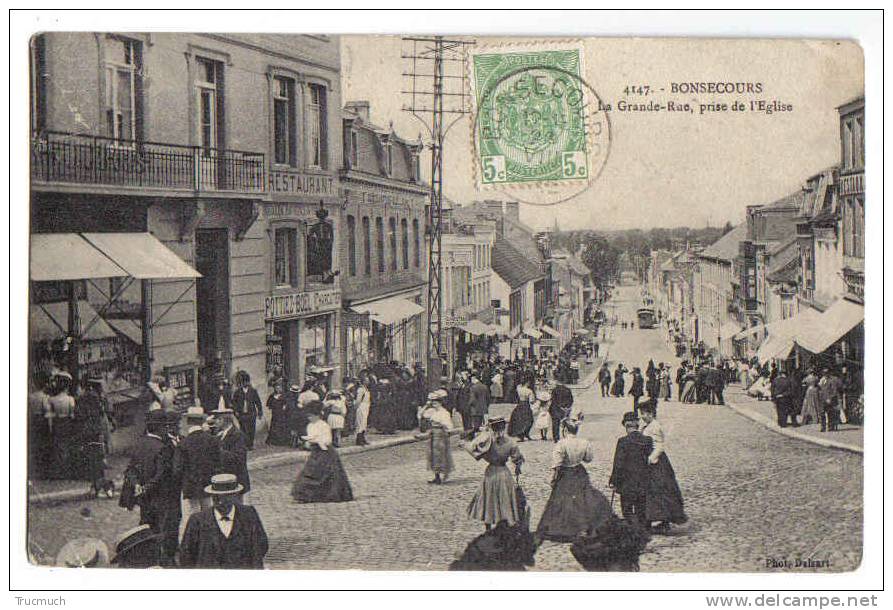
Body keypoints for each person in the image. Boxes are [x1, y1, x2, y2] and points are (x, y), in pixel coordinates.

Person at [536, 418, 613, 543]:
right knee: (582, 499)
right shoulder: (584, 442)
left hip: (565, 473)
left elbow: (557, 464)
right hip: (579, 471)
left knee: (564, 500)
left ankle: (567, 527)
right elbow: (588, 459)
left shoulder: (561, 444)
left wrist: (553, 478)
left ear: (565, 430)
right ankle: (584, 526)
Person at [121, 409, 180, 566]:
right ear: (161, 427)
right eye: (166, 426)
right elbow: (163, 474)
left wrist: (137, 486)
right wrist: (147, 487)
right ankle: (166, 563)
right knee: (167, 531)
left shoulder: (139, 444)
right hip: (165, 498)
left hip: (146, 500)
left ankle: (150, 560)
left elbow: (130, 470)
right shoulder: (164, 448)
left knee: (148, 529)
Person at [180, 473, 269, 569]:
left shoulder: (248, 515)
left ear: (235, 496)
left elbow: (261, 547)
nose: (220, 502)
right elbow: (186, 557)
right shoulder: (198, 521)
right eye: (216, 497)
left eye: (225, 497)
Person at [465, 417, 524, 529]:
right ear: (504, 427)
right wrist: (518, 467)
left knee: (489, 499)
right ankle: (504, 524)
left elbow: (474, 450)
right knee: (504, 499)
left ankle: (488, 526)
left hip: (491, 472)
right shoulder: (510, 442)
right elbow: (517, 459)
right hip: (504, 473)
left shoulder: (487, 441)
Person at [291, 401, 354, 503]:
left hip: (326, 452)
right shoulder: (310, 426)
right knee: (310, 471)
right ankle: (305, 495)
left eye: (311, 416)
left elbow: (327, 440)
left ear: (317, 415)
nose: (309, 418)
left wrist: (315, 440)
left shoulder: (323, 425)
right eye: (308, 416)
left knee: (328, 473)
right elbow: (310, 437)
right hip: (315, 452)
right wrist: (308, 442)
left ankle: (327, 494)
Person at [639, 400, 687, 533]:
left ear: (651, 413)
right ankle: (651, 519)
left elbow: (660, 445)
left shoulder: (655, 426)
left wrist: (651, 459)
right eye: (642, 413)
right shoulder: (648, 426)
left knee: (660, 491)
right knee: (652, 492)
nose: (643, 416)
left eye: (645, 413)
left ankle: (664, 520)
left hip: (657, 463)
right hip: (650, 461)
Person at [176, 406, 221, 524]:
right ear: (202, 422)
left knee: (192, 519)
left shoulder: (183, 444)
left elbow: (177, 470)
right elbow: (219, 463)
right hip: (209, 486)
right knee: (211, 517)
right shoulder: (212, 440)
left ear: (188, 421)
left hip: (191, 489)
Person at [608, 411, 653, 528]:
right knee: (641, 509)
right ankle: (642, 532)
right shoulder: (647, 440)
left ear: (626, 426)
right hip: (643, 481)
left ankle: (630, 533)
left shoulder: (623, 441)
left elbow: (618, 464)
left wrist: (614, 480)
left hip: (627, 483)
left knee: (627, 510)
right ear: (637, 425)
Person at [76, 379, 114, 498]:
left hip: (89, 432)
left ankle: (102, 486)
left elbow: (80, 414)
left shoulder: (84, 398)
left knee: (93, 460)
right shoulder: (99, 398)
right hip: (97, 432)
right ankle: (100, 486)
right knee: (98, 459)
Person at [213, 408, 250, 501]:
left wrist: (218, 451)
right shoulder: (219, 434)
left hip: (235, 479)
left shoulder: (237, 435)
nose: (215, 421)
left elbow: (239, 458)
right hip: (223, 479)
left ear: (225, 420)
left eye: (218, 419)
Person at [419, 390, 454, 485]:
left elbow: (449, 426)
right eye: (433, 402)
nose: (434, 404)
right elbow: (420, 415)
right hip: (433, 434)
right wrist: (426, 405)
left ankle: (442, 475)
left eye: (436, 402)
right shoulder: (431, 411)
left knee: (440, 454)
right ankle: (436, 476)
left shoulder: (444, 413)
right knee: (433, 454)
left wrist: (445, 429)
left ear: (440, 403)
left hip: (440, 434)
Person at [231, 371, 263, 450]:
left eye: (247, 381)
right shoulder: (237, 392)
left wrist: (260, 412)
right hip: (242, 414)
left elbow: (258, 402)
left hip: (251, 413)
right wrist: (236, 411)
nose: (246, 383)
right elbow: (234, 403)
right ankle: (244, 444)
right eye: (244, 382)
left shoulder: (253, 391)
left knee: (251, 429)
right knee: (243, 429)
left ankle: (250, 445)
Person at [264, 379, 290, 446]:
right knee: (274, 427)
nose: (278, 389)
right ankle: (273, 441)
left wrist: (285, 407)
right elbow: (268, 405)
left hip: (282, 414)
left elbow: (286, 404)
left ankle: (282, 441)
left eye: (279, 387)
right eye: (276, 387)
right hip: (275, 414)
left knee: (282, 426)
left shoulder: (284, 396)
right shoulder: (272, 396)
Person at [508, 377, 534, 442]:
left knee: (519, 420)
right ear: (527, 383)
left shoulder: (519, 389)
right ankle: (526, 433)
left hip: (520, 404)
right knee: (529, 420)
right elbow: (531, 401)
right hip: (526, 405)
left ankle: (521, 435)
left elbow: (517, 387)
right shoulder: (529, 391)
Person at [354, 375, 372, 446]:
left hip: (366, 406)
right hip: (361, 406)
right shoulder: (361, 390)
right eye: (366, 380)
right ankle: (359, 439)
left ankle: (363, 438)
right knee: (360, 423)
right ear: (363, 381)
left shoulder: (366, 389)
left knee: (364, 423)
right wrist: (357, 407)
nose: (368, 382)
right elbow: (358, 400)